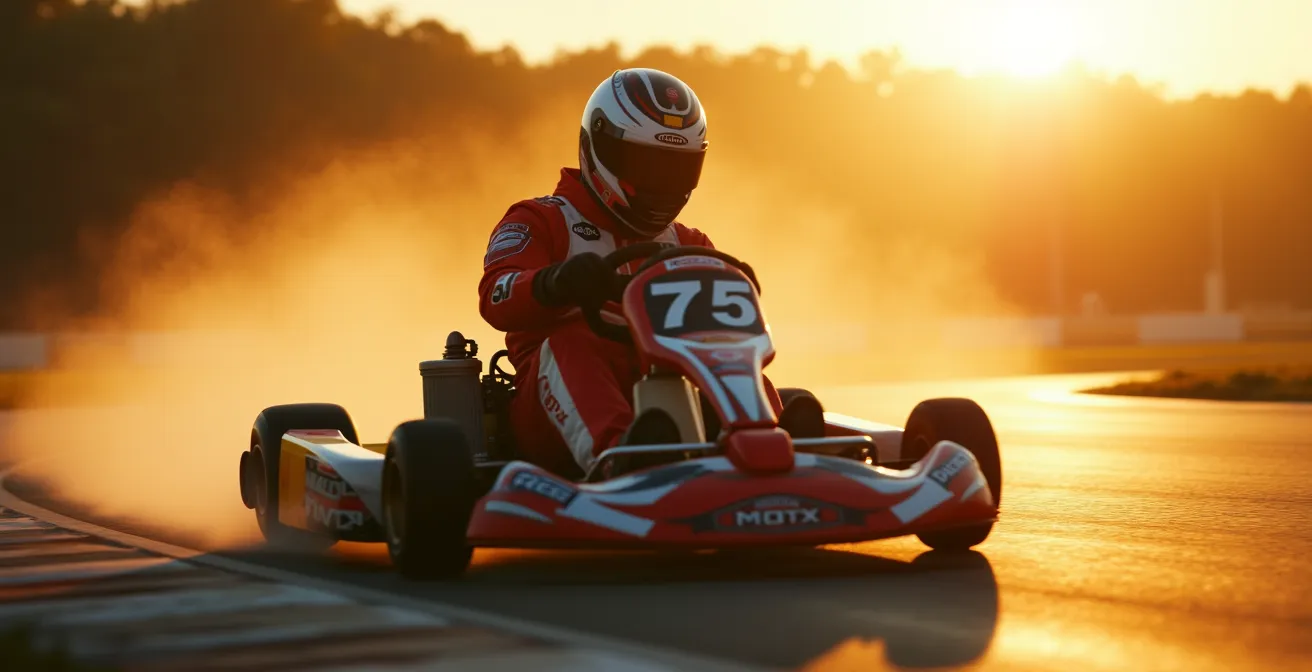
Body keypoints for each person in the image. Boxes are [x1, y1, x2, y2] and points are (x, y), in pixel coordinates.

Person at [478, 68, 821, 478]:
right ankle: (626, 461)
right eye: (645, 164)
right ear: (597, 146)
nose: (660, 184)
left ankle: (774, 445)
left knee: (725, 352)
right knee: (574, 341)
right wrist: (556, 282)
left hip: (662, 386)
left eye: (675, 170)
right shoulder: (541, 219)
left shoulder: (690, 242)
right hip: (550, 410)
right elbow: (496, 294)